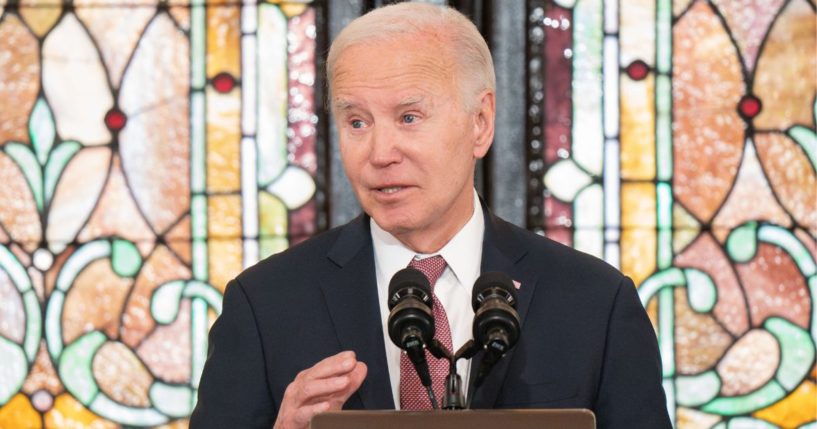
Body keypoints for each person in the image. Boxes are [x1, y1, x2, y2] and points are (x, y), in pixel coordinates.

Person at [190, 3, 671, 429]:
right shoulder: (263, 306)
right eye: (357, 122)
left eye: (409, 117)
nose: (380, 153)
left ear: (480, 123)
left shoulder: (596, 304)